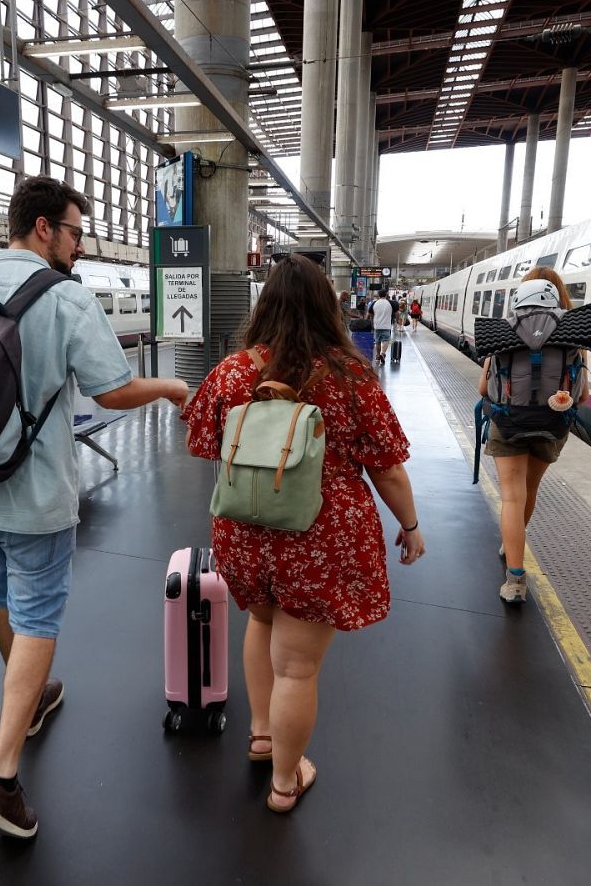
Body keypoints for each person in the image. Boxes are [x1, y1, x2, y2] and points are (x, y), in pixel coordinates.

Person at [0, 176, 189, 839]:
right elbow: (112, 391)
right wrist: (172, 387)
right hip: (35, 495)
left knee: (3, 600)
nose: (79, 246)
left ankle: (33, 697)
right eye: (74, 232)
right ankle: (1, 778)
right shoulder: (65, 297)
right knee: (37, 615)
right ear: (43, 227)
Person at [183, 254, 426, 814]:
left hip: (244, 530)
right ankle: (285, 783)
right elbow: (387, 467)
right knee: (296, 667)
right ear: (326, 309)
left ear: (263, 306)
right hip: (319, 537)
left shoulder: (234, 370)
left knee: (261, 621)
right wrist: (410, 527)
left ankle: (262, 735)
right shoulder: (349, 376)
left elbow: (202, 442)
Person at [476, 266, 588, 604]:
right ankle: (513, 540)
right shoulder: (575, 333)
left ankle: (515, 581)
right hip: (552, 424)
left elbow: (484, 388)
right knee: (530, 489)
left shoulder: (503, 330)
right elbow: (582, 395)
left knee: (512, 496)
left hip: (509, 423)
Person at [370, 286, 393, 365]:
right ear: (386, 295)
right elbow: (395, 312)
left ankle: (377, 355)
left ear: (378, 295)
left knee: (377, 341)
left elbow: (370, 313)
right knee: (385, 340)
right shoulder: (389, 303)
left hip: (377, 325)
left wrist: (372, 321)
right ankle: (383, 354)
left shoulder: (375, 303)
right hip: (386, 326)